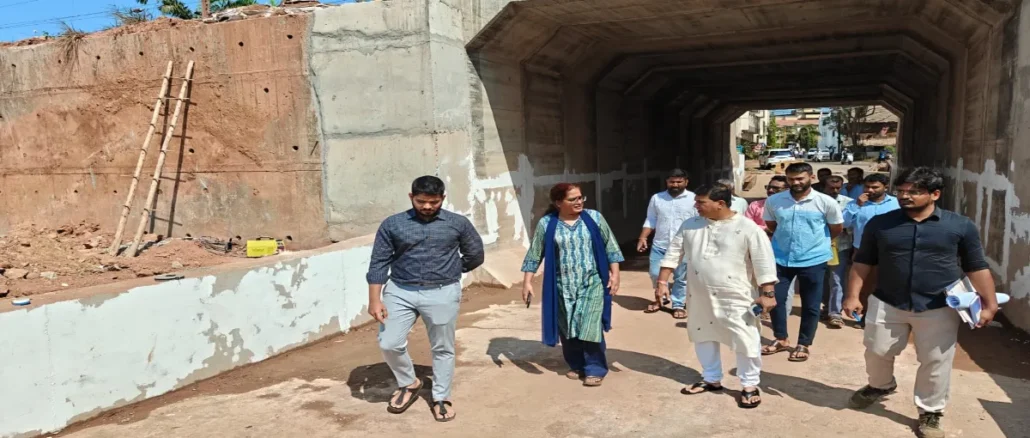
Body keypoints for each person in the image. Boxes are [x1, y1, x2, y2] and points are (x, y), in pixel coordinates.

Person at [843, 167, 998, 438]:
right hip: (887, 301)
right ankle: (880, 385)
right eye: (901, 191)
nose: (905, 196)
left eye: (914, 191)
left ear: (935, 194)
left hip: (939, 305)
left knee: (936, 361)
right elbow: (863, 261)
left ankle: (931, 411)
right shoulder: (881, 224)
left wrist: (990, 303)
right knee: (877, 350)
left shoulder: (959, 226)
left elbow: (976, 266)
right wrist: (853, 295)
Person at [366, 175, 485, 422]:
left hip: (442, 291)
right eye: (421, 201)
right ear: (411, 197)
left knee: (443, 347)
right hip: (400, 291)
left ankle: (441, 397)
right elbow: (379, 262)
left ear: (443, 198)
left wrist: (453, 270)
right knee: (389, 342)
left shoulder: (458, 224)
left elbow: (475, 254)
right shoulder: (393, 224)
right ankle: (409, 383)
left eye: (433, 201)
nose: (427, 207)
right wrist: (375, 300)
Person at [656, 184, 778, 408]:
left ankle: (749, 385)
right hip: (700, 295)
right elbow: (674, 252)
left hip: (736, 296)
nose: (696, 206)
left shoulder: (748, 229)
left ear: (720, 203)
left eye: (701, 202)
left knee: (746, 339)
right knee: (703, 335)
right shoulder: (691, 224)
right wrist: (662, 282)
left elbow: (764, 264)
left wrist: (768, 294)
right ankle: (711, 379)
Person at [521, 183, 625, 387]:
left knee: (590, 326)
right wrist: (527, 282)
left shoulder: (594, 218)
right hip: (563, 285)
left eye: (580, 198)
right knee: (569, 327)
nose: (579, 202)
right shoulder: (547, 224)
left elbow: (610, 246)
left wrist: (615, 275)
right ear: (559, 202)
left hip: (593, 282)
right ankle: (577, 364)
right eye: (573, 199)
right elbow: (535, 254)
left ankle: (595, 368)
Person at [761, 162, 843, 362]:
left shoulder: (825, 202)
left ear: (811, 177)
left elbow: (836, 229)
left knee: (811, 304)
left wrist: (815, 244)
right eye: (791, 179)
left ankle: (804, 343)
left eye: (800, 179)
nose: (795, 183)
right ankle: (781, 338)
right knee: (776, 300)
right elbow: (771, 225)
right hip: (781, 258)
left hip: (813, 259)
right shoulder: (775, 201)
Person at [638, 169, 696, 319]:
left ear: (686, 182)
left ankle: (678, 304)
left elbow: (698, 222)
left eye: (679, 182)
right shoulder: (657, 198)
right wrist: (643, 238)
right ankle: (660, 299)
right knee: (655, 273)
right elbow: (651, 219)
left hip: (683, 247)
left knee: (680, 277)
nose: (675, 184)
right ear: (667, 182)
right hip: (660, 245)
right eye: (672, 182)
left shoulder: (694, 199)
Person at [820, 175, 853, 328]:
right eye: (831, 188)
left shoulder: (848, 203)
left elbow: (851, 225)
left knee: (836, 279)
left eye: (838, 188)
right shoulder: (816, 201)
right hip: (817, 247)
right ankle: (826, 307)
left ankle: (835, 313)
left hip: (840, 247)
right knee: (820, 279)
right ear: (823, 186)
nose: (834, 190)